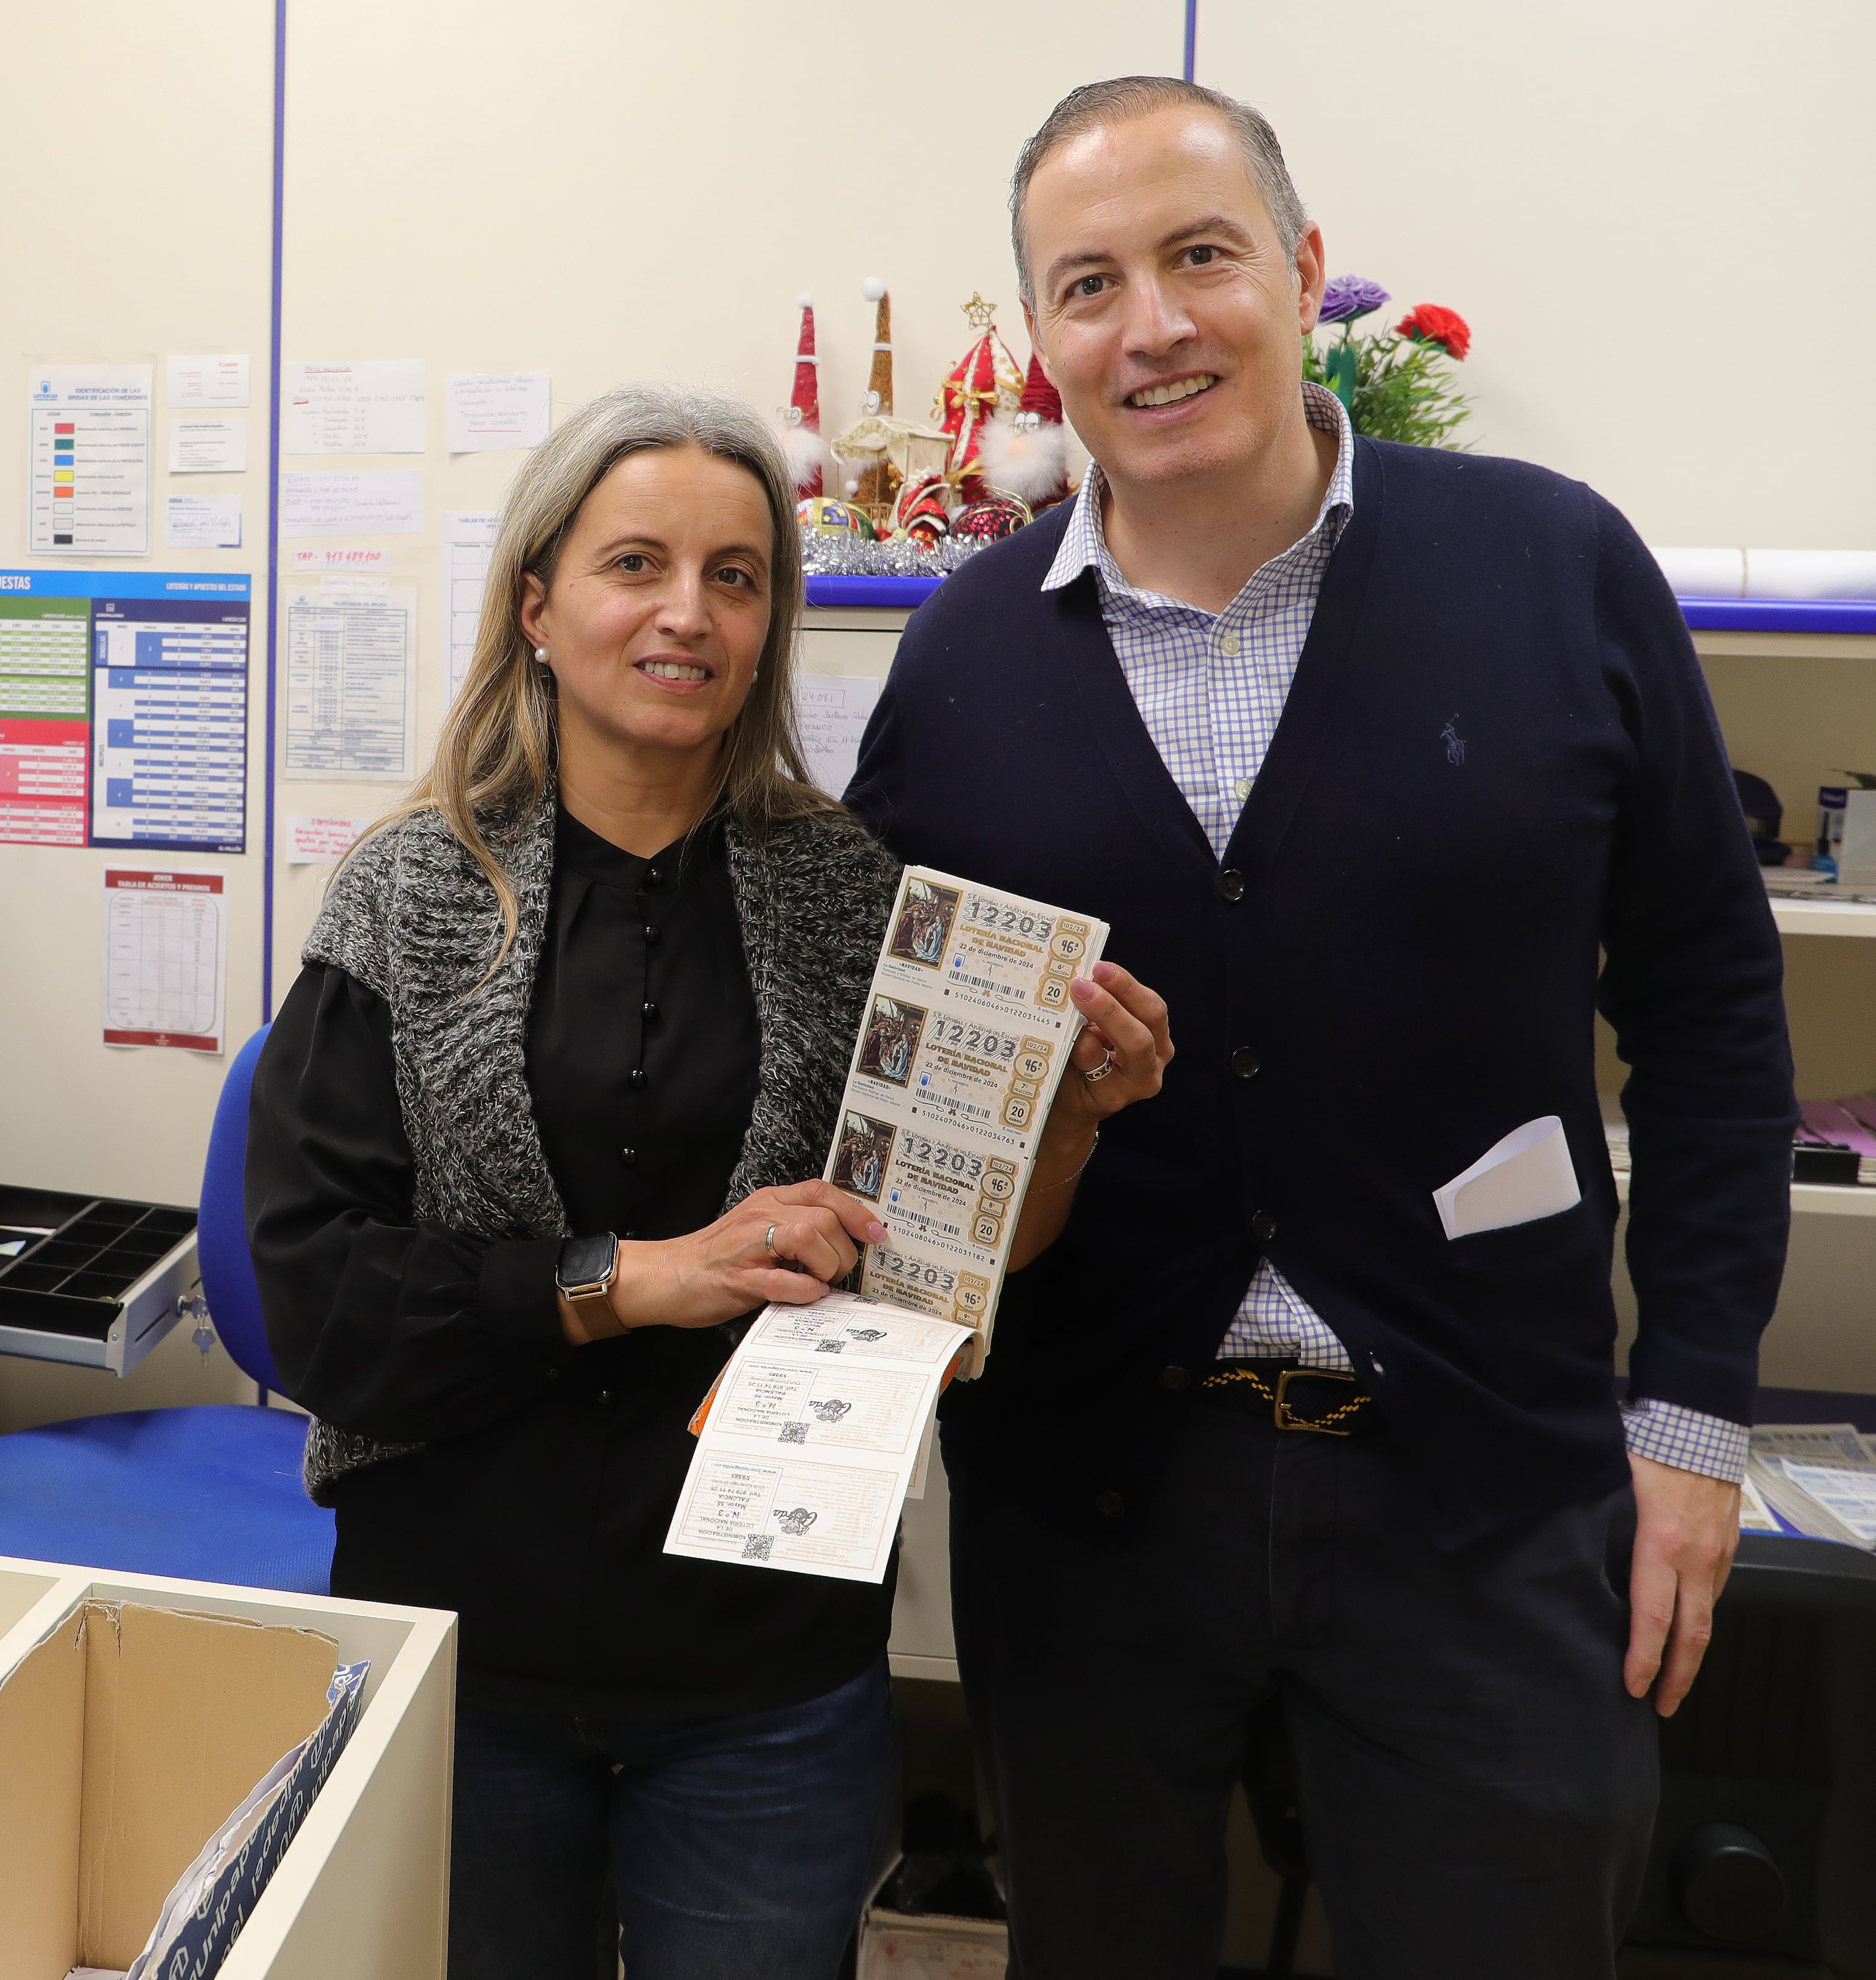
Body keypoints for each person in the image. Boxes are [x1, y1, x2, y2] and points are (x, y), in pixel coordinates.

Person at [846, 77, 1795, 1977]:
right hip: (1094, 1495)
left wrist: (1690, 1415)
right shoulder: (958, 667)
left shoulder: (1552, 569)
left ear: (1300, 268)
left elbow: (1710, 1007)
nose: (1155, 325)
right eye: (1090, 284)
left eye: (1201, 257)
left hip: (1485, 1480)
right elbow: (900, 1091)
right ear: (1040, 344)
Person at [246, 382, 1173, 1979]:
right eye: (636, 565)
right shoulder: (406, 891)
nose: (687, 612)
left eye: (736, 576)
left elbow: (942, 1277)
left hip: (761, 1672)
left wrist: (1070, 1122)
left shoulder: (851, 893)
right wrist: (639, 1276)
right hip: (466, 1638)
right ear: (537, 604)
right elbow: (321, 1302)